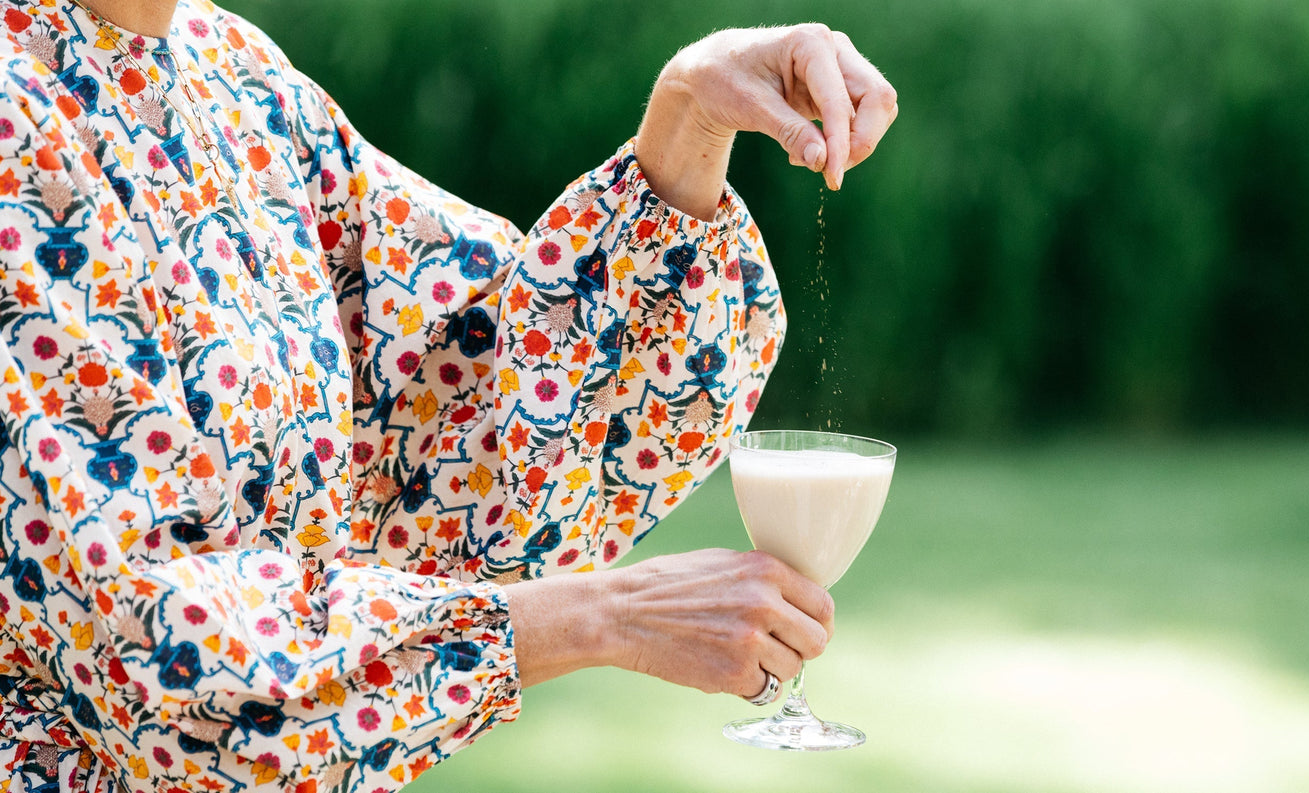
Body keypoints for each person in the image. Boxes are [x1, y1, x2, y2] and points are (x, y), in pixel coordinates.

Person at [0, 0, 898, 789]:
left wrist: (690, 117)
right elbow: (147, 654)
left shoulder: (238, 81)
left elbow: (484, 413)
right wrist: (607, 616)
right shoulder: (17, 113)